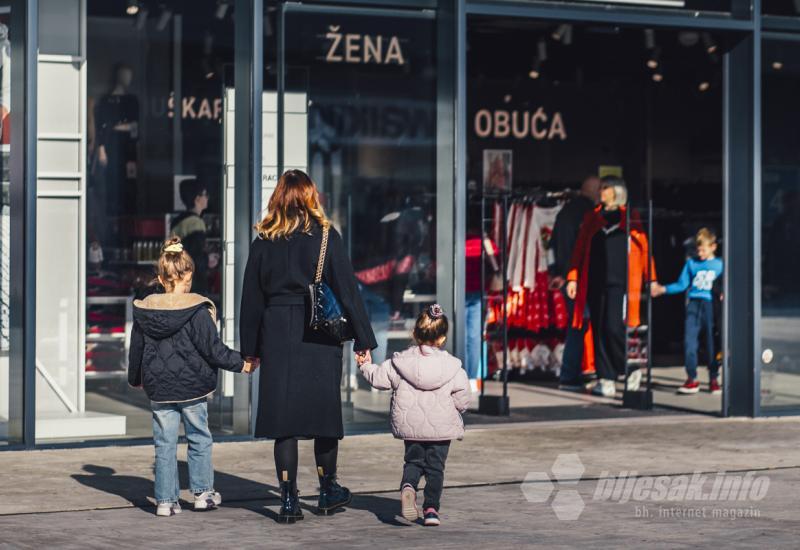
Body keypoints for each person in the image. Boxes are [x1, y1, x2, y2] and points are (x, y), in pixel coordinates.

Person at [239, 169, 377, 524]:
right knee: (323, 417)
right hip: (318, 333)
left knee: (284, 423)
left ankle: (288, 500)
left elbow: (251, 301)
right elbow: (348, 292)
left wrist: (249, 349)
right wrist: (363, 340)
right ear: (311, 197)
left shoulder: (263, 241)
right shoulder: (328, 237)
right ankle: (328, 490)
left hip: (276, 334)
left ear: (278, 199)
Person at [128, 237, 257, 517]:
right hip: (193, 388)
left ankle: (165, 501)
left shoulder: (145, 308)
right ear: (188, 274)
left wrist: (136, 378)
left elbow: (136, 349)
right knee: (199, 438)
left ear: (161, 278)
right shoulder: (197, 309)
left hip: (159, 390)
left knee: (165, 443)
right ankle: (202, 494)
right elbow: (213, 350)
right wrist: (242, 364)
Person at [357, 304, 470, 527]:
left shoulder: (399, 363)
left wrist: (364, 364)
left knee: (413, 461)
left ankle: (408, 486)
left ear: (415, 334)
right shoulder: (453, 367)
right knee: (435, 468)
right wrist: (455, 409)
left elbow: (378, 379)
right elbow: (463, 398)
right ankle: (430, 510)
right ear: (442, 338)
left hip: (412, 427)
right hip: (441, 428)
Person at [566, 176, 656, 398]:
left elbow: (643, 248)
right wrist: (573, 278)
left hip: (620, 283)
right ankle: (605, 378)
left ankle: (628, 367)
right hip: (595, 282)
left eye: (605, 188)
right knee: (597, 329)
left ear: (616, 191)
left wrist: (651, 279)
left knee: (613, 327)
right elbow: (579, 250)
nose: (601, 191)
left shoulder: (629, 216)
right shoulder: (592, 217)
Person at [651, 228, 724, 395]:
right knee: (689, 342)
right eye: (698, 249)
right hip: (693, 305)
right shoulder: (691, 264)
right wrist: (663, 289)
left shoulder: (720, 265)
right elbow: (682, 284)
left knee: (712, 343)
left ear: (713, 247)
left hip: (711, 305)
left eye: (703, 249)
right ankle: (692, 378)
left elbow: (726, 284)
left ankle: (714, 378)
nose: (700, 253)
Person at [549, 176, 601, 391]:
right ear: (595, 191)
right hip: (578, 278)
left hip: (566, 277)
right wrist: (570, 275)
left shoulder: (565, 212)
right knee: (581, 324)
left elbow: (551, 246)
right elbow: (581, 250)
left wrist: (555, 272)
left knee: (577, 324)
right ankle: (571, 375)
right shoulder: (588, 214)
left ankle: (573, 373)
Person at [171, 179, 210, 294]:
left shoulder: (177, 221)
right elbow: (196, 256)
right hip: (193, 284)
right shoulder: (196, 223)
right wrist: (209, 259)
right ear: (197, 198)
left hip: (178, 281)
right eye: (205, 194)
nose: (207, 198)